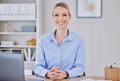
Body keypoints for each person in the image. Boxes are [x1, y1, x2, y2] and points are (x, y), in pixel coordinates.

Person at [33, 2, 85, 80]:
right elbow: (37, 66)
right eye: (56, 15)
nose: (60, 19)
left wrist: (66, 74)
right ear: (52, 17)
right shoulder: (43, 40)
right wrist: (47, 73)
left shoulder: (79, 40)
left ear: (69, 17)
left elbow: (80, 67)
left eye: (64, 15)